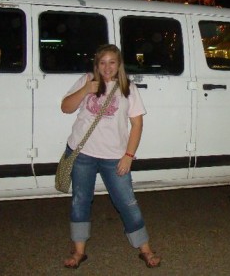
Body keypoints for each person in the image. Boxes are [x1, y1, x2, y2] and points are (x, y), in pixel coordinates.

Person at [61, 44, 161, 269]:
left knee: (127, 202)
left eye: (112, 62)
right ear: (96, 64)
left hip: (114, 156)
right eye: (102, 62)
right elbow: (65, 108)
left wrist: (128, 155)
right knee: (80, 200)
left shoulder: (128, 88)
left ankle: (145, 248)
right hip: (82, 151)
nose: (107, 67)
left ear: (119, 64)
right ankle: (78, 251)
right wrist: (86, 89)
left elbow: (137, 124)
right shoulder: (86, 80)